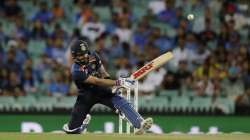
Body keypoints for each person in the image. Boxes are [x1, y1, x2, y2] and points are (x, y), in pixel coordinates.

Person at [63, 39, 153, 134]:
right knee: (72, 130)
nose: (85, 56)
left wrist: (112, 85)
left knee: (120, 101)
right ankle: (82, 125)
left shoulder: (93, 56)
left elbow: (103, 73)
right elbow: (96, 81)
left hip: (101, 90)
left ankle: (140, 124)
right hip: (86, 95)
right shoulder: (76, 71)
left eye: (85, 53)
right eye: (81, 55)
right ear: (74, 57)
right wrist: (119, 83)